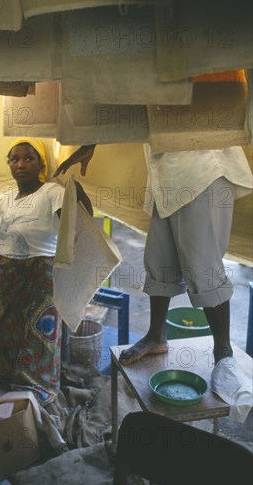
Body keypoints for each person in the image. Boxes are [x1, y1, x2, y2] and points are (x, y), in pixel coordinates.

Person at [54, 143, 253, 366]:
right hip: (166, 173)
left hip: (204, 169)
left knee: (203, 268)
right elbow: (134, 110)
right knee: (159, 260)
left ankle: (223, 353)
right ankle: (156, 336)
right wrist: (91, 142)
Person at [0, 137, 92, 407]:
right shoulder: (8, 199)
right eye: (15, 159)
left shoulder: (52, 192)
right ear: (8, 164)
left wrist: (75, 189)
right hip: (10, 282)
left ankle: (39, 391)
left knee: (38, 336)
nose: (21, 164)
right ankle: (8, 380)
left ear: (41, 163)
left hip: (40, 280)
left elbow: (80, 215)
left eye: (29, 158)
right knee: (7, 332)